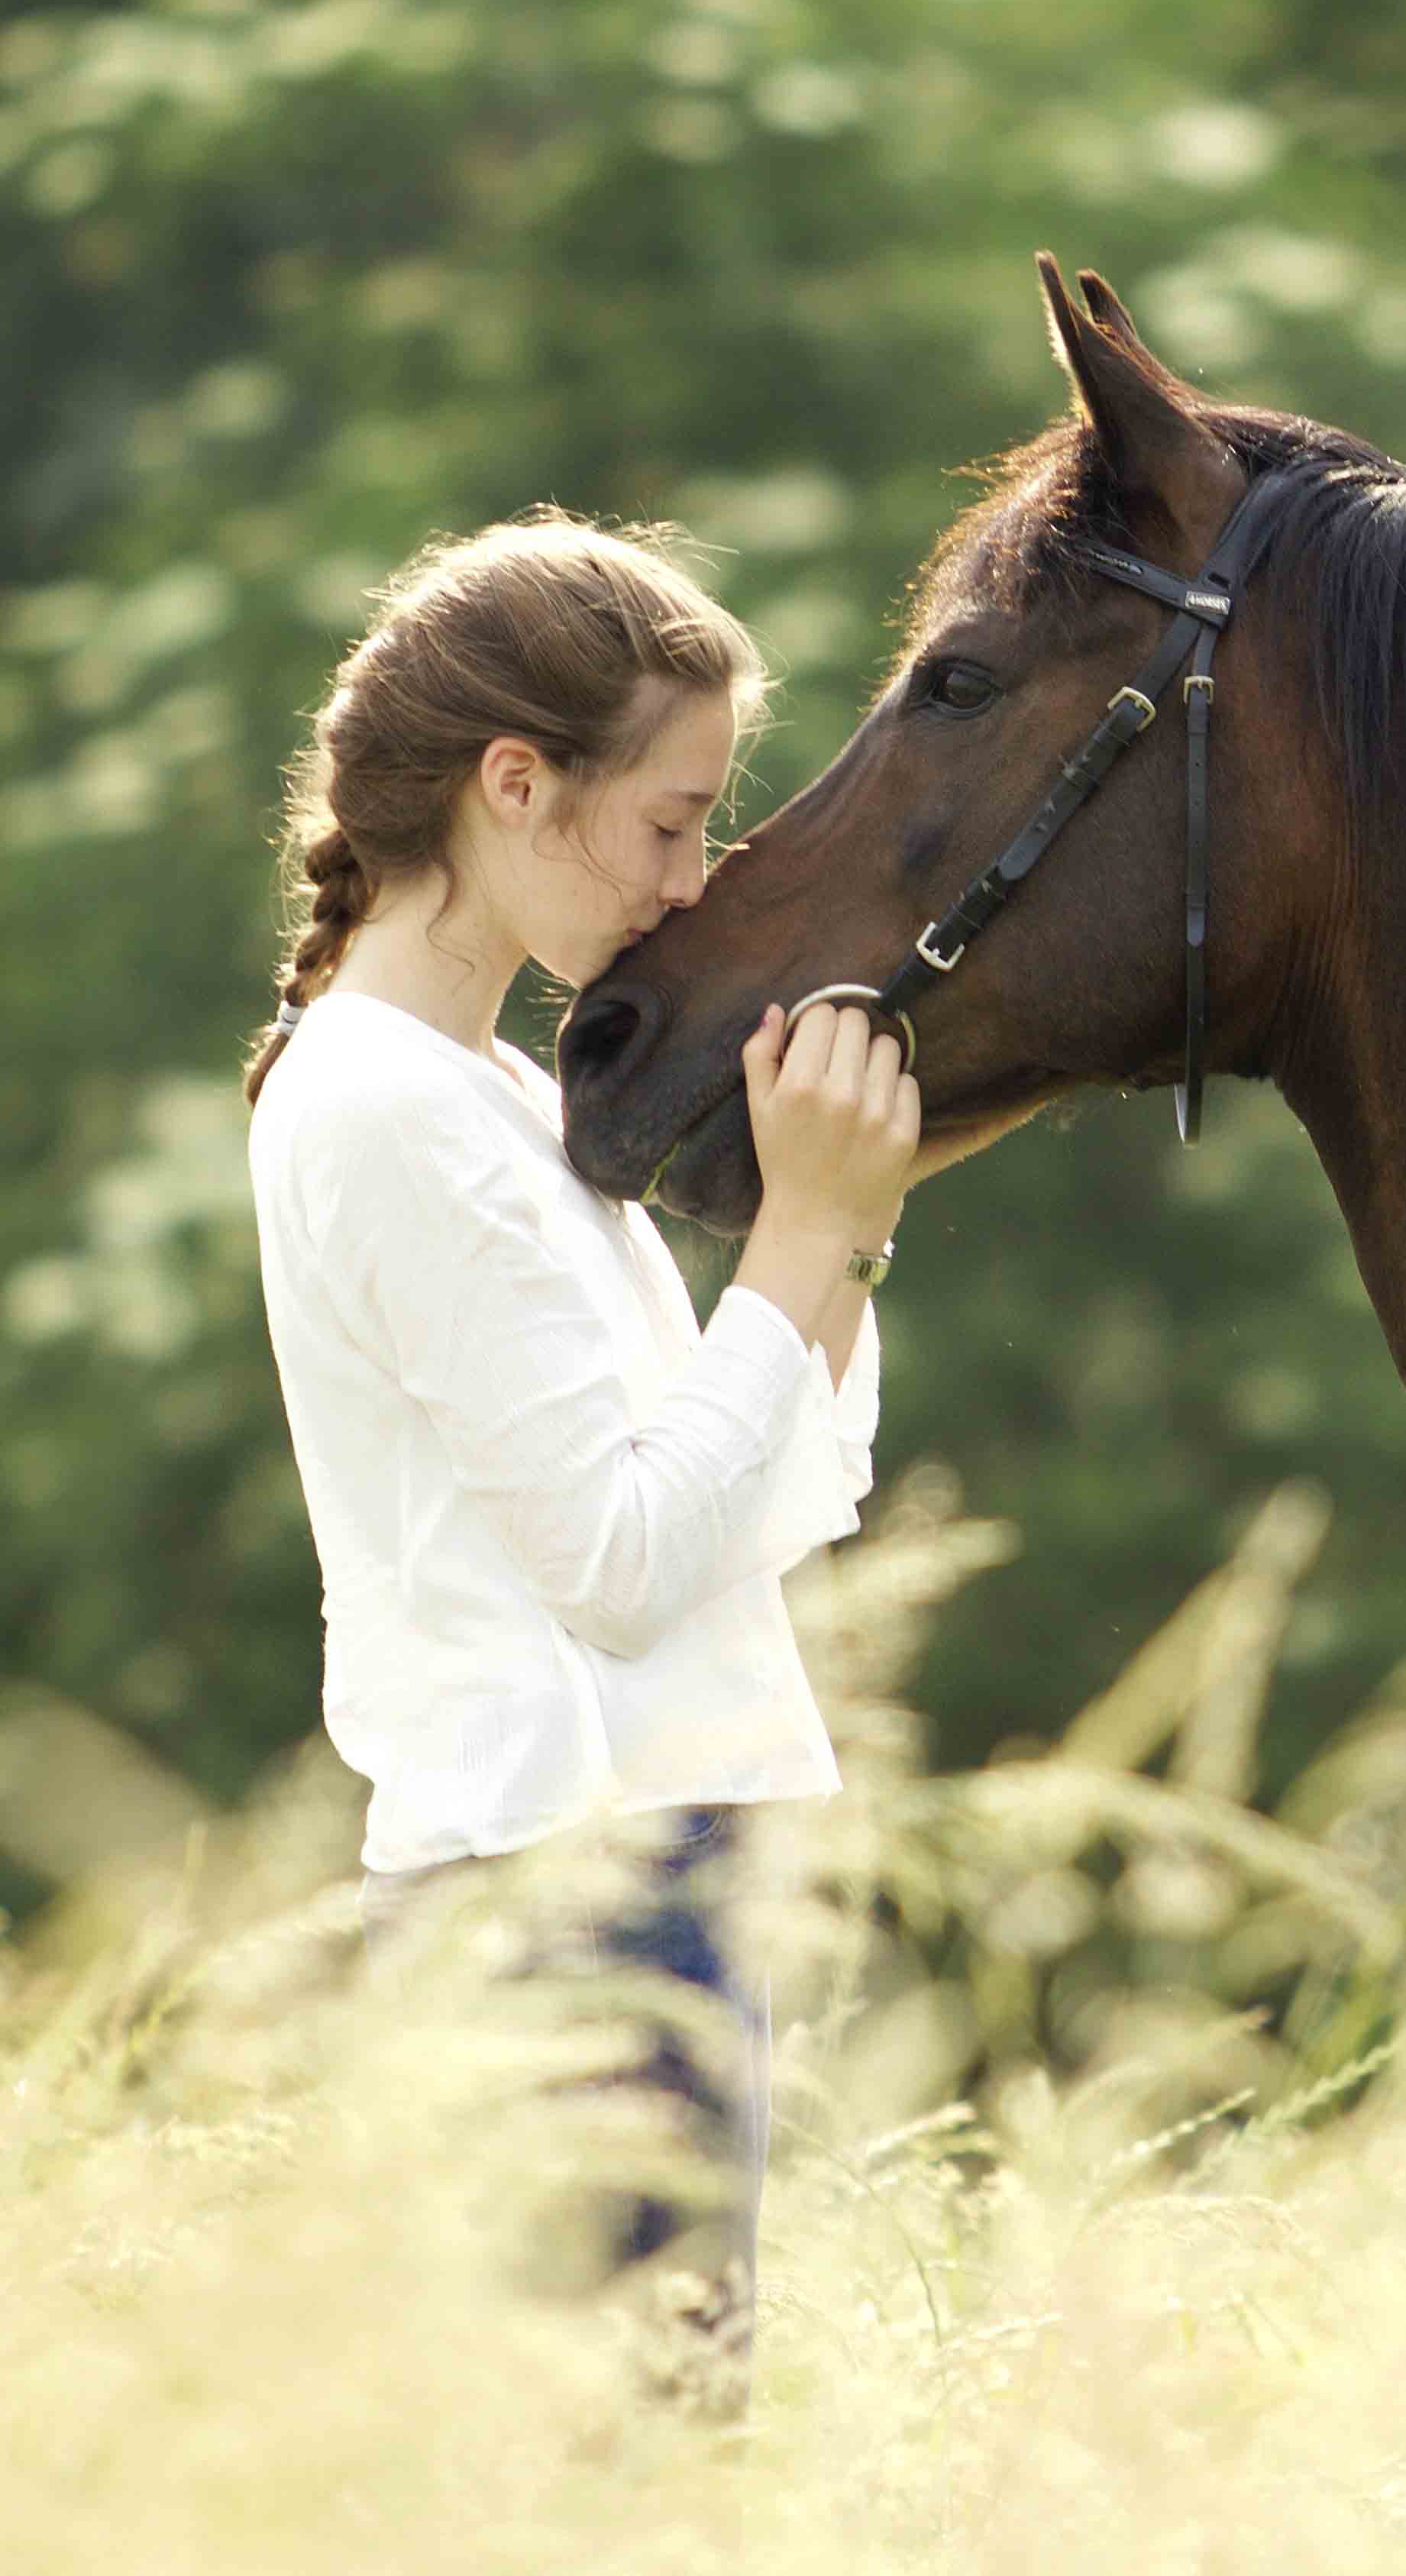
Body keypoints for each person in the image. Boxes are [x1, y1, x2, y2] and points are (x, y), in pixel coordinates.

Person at [241, 512, 920, 2382]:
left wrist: (847, 1220)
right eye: (671, 824)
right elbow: (622, 1571)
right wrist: (800, 1233)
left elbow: (764, 1495)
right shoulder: (380, 1107)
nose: (690, 889)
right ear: (514, 786)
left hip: (648, 1873)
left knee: (665, 2458)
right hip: (557, 1894)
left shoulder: (496, 1095)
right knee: (619, 2472)